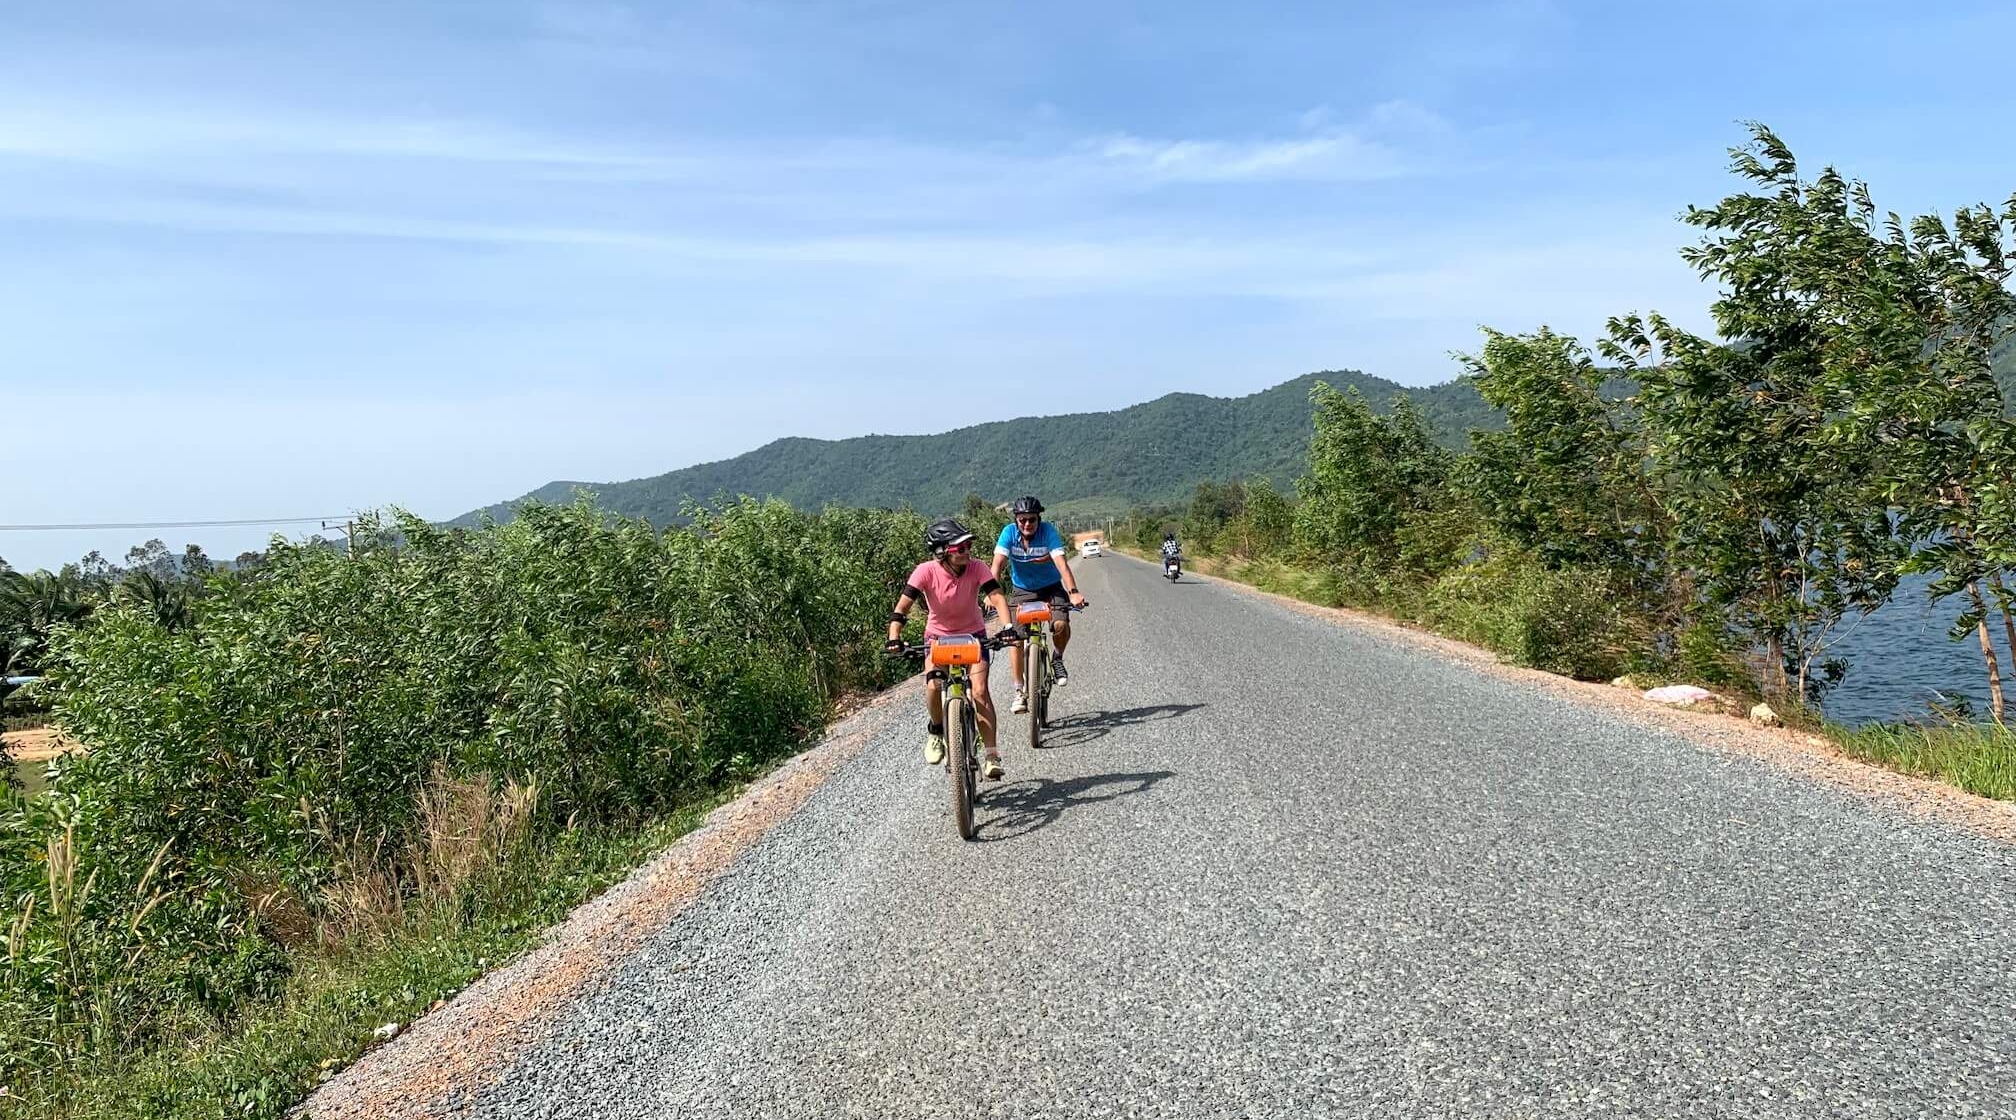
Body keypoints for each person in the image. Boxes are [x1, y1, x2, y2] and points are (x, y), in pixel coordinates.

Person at [886, 518, 1021, 779]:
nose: (967, 551)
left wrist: (1006, 627)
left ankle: (992, 754)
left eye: (968, 545)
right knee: (934, 685)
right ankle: (937, 731)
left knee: (980, 691)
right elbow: (902, 608)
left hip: (974, 637)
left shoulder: (978, 567)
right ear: (940, 552)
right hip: (937, 638)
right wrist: (894, 636)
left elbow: (996, 596)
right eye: (960, 548)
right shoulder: (924, 571)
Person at [992, 496, 1088, 713]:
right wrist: (991, 592)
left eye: (1032, 520)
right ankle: (1019, 691)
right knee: (1014, 638)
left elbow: (1062, 565)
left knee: (1060, 625)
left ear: (1039, 519)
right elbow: (997, 564)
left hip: (1051, 588)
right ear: (1016, 520)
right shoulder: (1008, 533)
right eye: (1023, 519)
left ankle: (1057, 659)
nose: (1027, 524)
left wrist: (1073, 592)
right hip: (1022, 591)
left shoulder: (1048, 532)